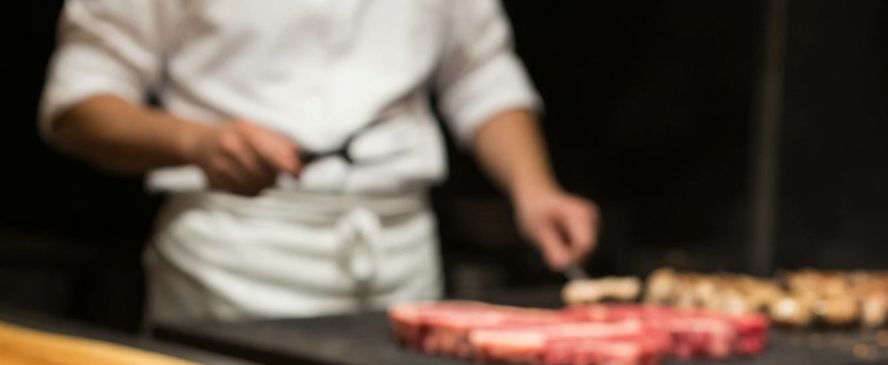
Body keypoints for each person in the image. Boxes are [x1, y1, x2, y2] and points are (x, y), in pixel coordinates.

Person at [39, 0, 598, 325]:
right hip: (233, 257)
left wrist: (535, 190)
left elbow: (479, 72)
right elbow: (78, 104)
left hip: (402, 259)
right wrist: (194, 143)